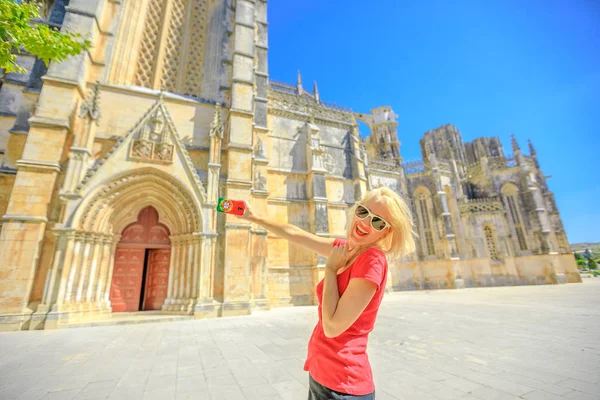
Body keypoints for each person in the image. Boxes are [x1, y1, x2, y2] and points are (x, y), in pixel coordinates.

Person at [238, 187, 416, 399]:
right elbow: (297, 235)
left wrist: (331, 269)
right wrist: (253, 217)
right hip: (323, 376)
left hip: (342, 387)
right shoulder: (346, 250)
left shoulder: (372, 261)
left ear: (386, 232)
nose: (366, 223)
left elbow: (333, 327)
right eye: (363, 212)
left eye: (378, 222)